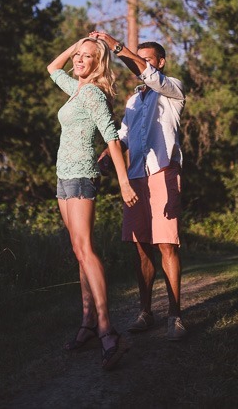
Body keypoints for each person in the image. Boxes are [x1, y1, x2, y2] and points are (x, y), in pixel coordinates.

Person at [90, 31, 187, 341]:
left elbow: (149, 75)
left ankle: (175, 314)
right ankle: (146, 311)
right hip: (135, 177)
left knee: (166, 244)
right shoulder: (133, 100)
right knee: (140, 246)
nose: (142, 65)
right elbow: (125, 136)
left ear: (160, 62)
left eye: (147, 60)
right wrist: (108, 152)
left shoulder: (172, 90)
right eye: (139, 58)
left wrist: (119, 48)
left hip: (162, 171)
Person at [47, 36, 136, 370]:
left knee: (86, 250)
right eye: (78, 56)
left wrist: (124, 181)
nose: (80, 60)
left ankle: (106, 331)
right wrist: (78, 44)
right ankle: (87, 323)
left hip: (83, 175)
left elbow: (112, 139)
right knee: (78, 253)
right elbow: (52, 68)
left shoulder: (95, 94)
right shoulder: (76, 90)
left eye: (88, 57)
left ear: (99, 64)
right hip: (63, 177)